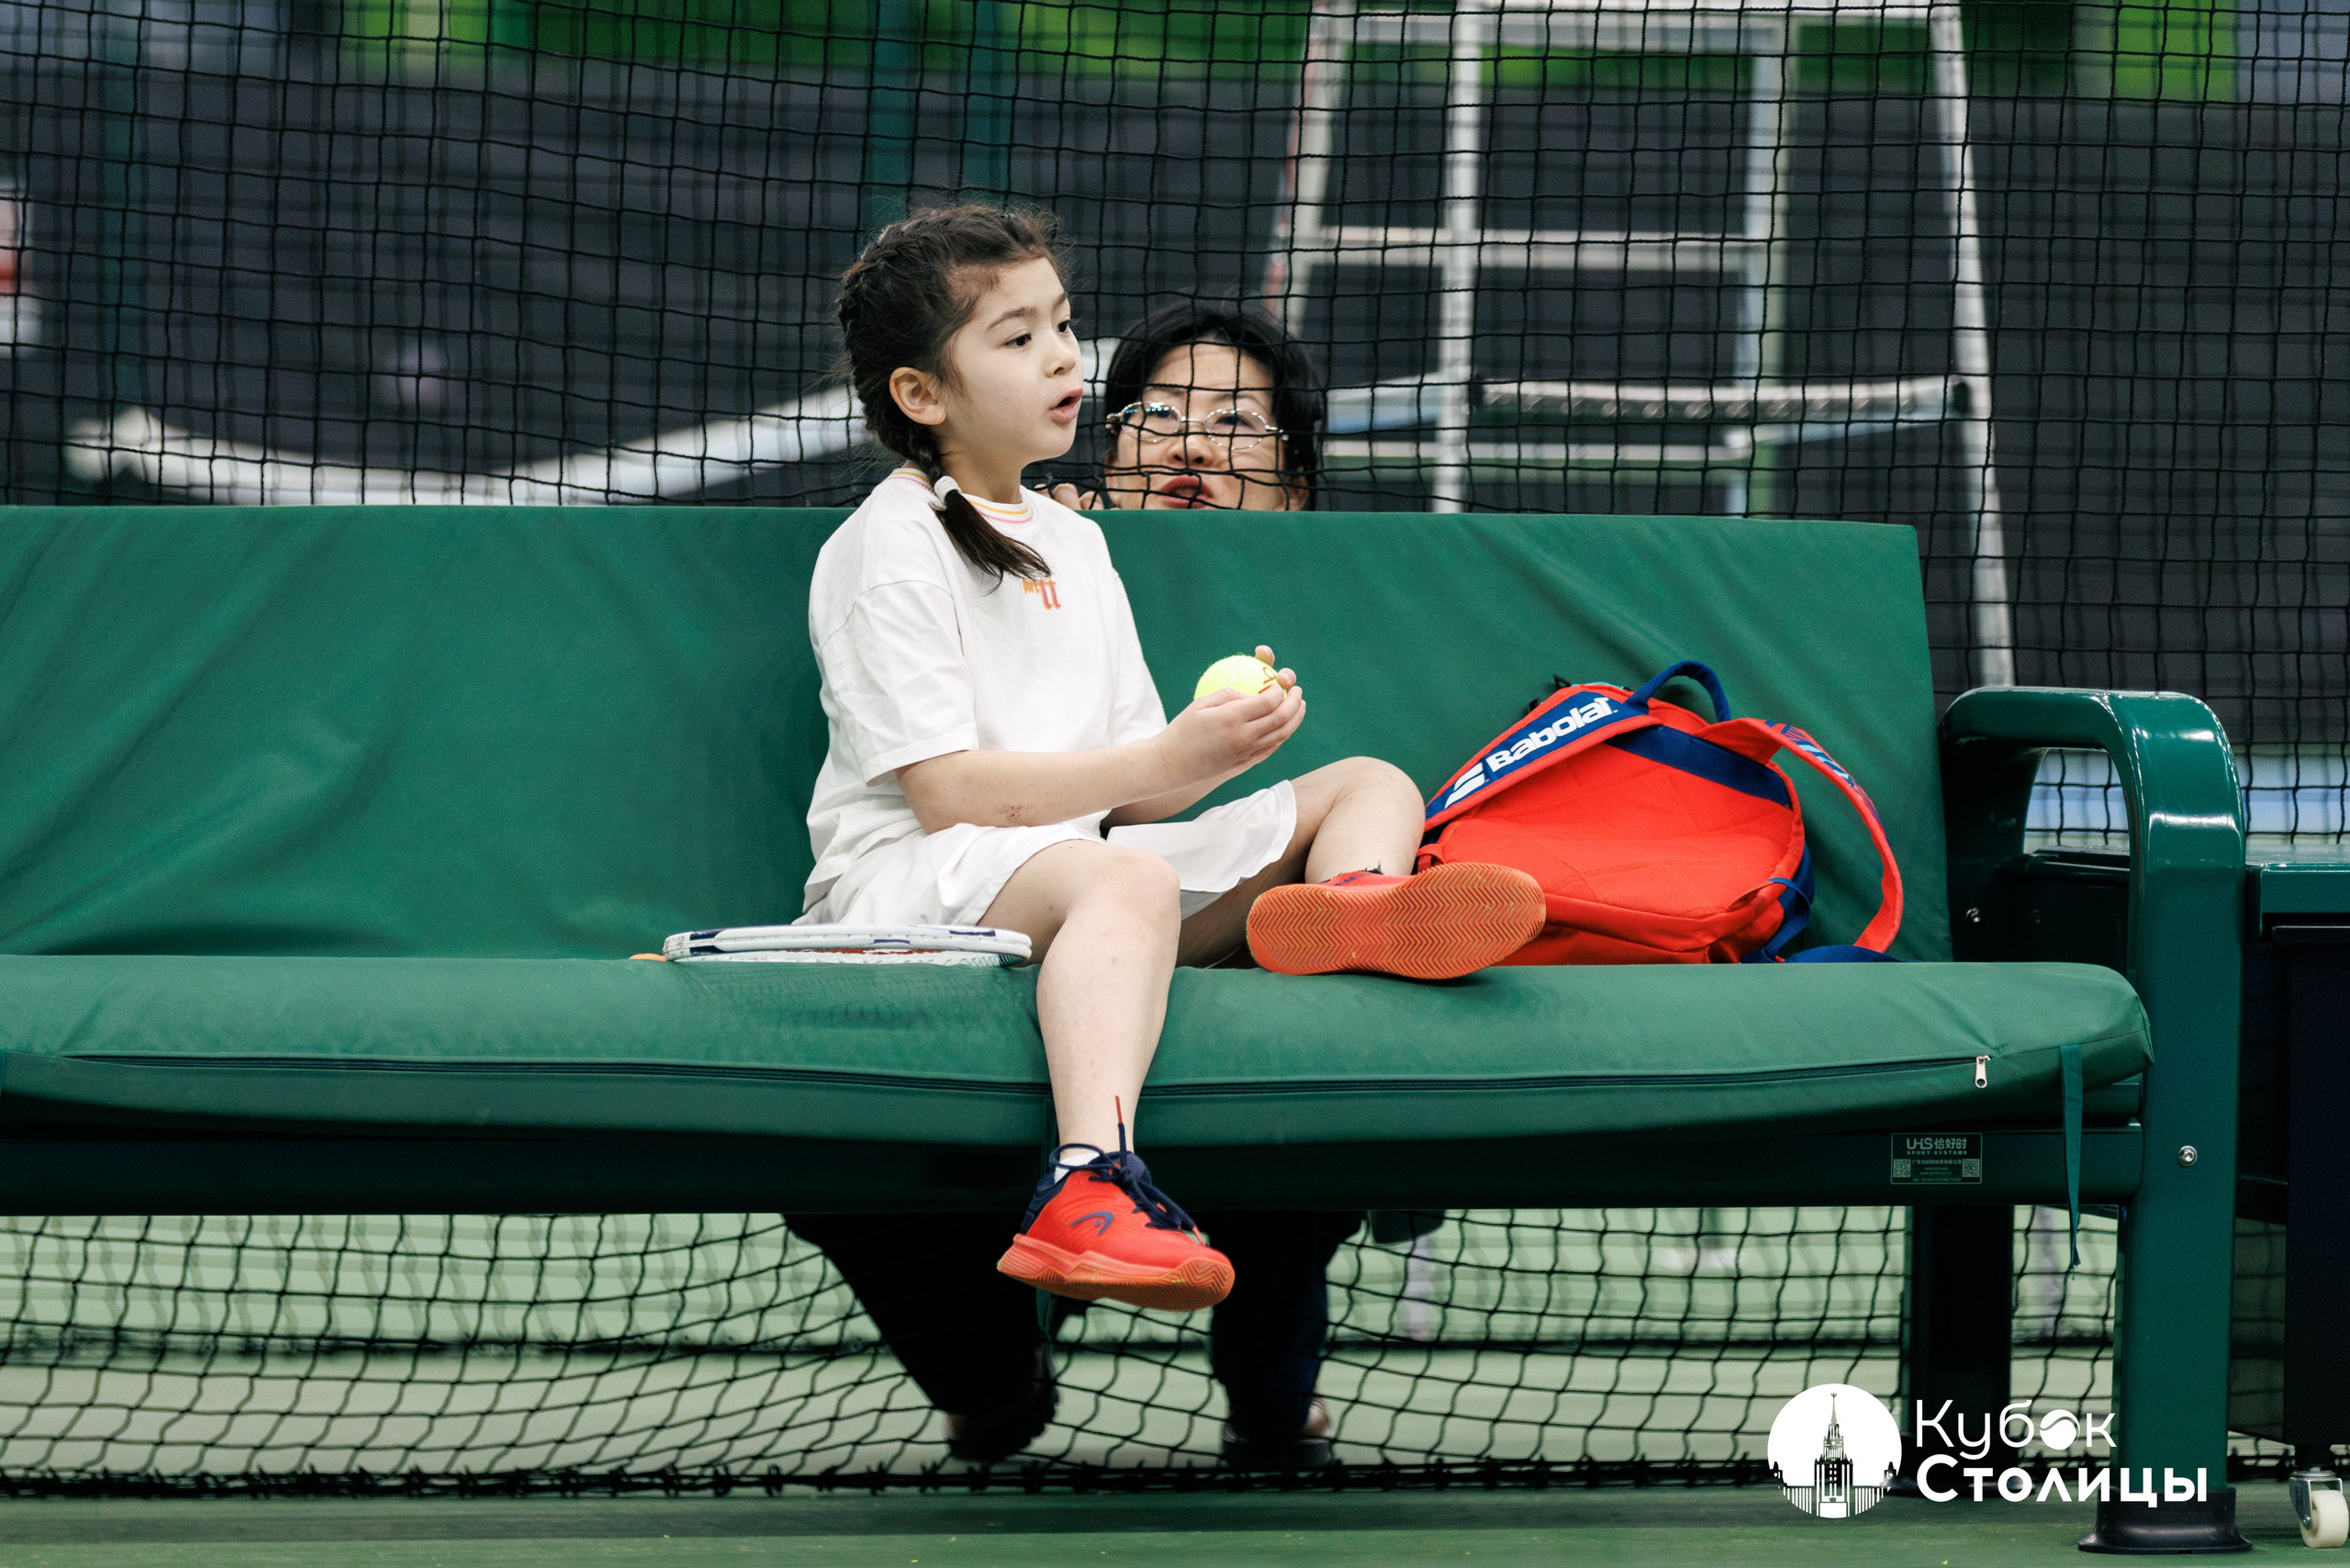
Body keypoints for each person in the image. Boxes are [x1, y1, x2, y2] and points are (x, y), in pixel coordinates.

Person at [788, 206, 1543, 1465]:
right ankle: (1091, 1179)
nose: (1065, 359)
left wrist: (1217, 749)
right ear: (921, 392)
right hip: (921, 888)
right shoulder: (887, 545)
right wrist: (1157, 769)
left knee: (1363, 778)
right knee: (1125, 885)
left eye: (1066, 328)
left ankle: (1353, 913)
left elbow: (1136, 803)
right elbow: (943, 792)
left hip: (1079, 872)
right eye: (1019, 336)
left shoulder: (1077, 541)